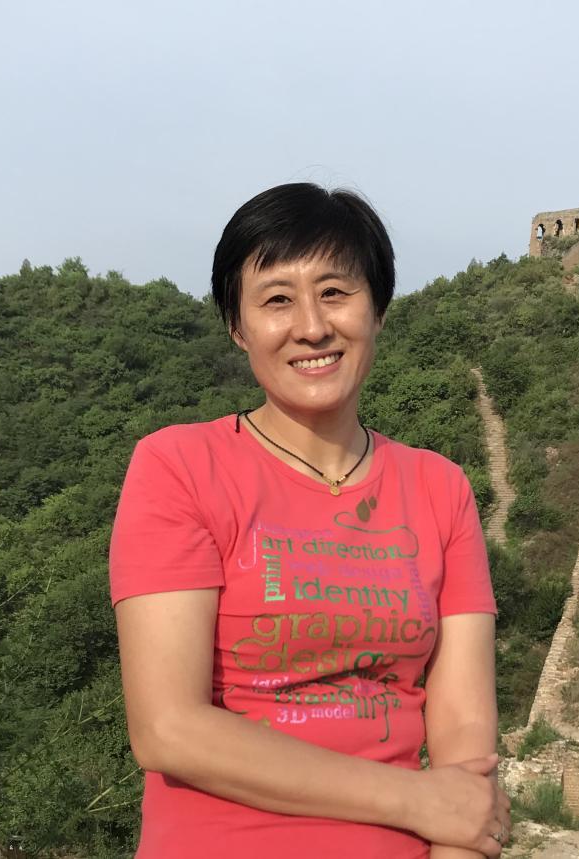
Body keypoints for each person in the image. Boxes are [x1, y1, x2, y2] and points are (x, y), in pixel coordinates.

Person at [109, 182, 510, 858]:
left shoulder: (440, 488)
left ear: (377, 309)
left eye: (334, 292)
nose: (312, 326)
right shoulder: (179, 467)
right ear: (238, 327)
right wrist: (412, 798)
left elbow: (466, 741)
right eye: (276, 300)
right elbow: (167, 728)